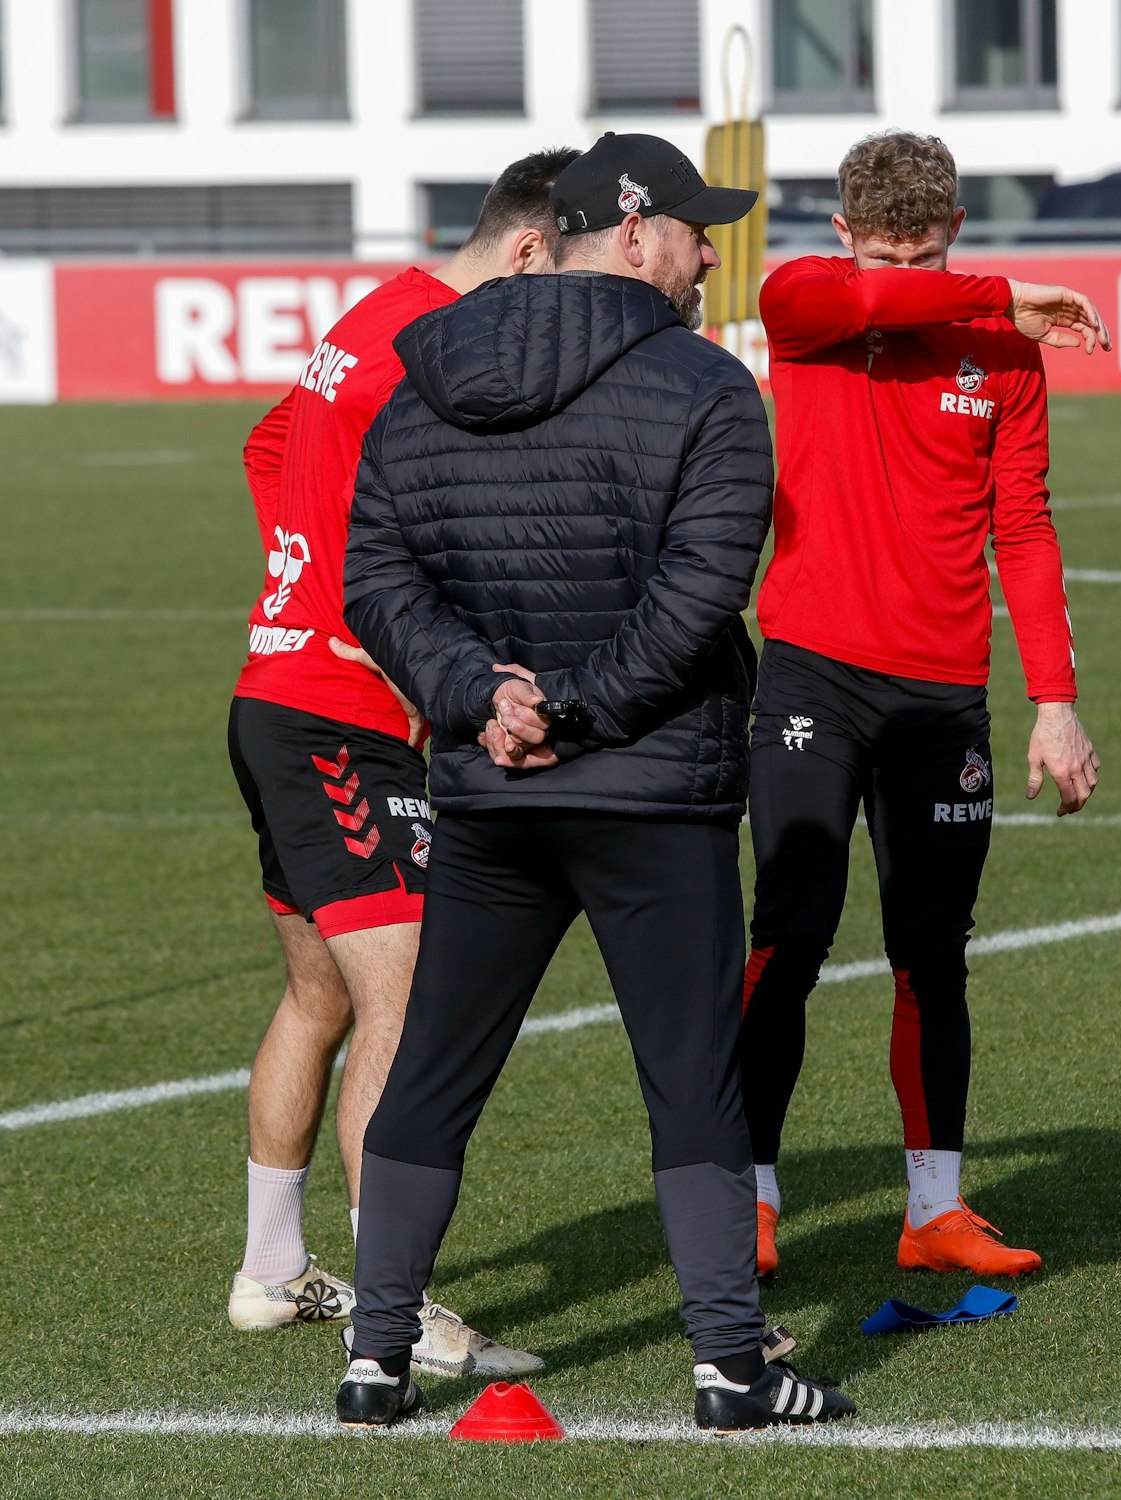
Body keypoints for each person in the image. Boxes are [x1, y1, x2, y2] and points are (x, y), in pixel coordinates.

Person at [335, 132, 850, 1432]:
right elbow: (701, 595)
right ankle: (731, 1365)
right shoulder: (710, 387)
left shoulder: (427, 375)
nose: (711, 253)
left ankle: (374, 1354)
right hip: (651, 790)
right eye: (695, 229)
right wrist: (574, 709)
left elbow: (377, 577)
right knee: (691, 1076)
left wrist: (481, 698)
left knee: (436, 1071)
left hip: (491, 788)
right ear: (632, 233)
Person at [224, 150, 577, 1377]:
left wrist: (296, 580)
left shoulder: (377, 307)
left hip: (276, 689)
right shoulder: (436, 346)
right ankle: (397, 1307)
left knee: (319, 995)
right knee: (407, 999)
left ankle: (273, 1271)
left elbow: (272, 445)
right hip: (338, 714)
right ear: (528, 251)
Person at [742, 131, 1106, 1281]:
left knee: (931, 957)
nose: (913, 271)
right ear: (844, 235)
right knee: (789, 937)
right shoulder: (803, 302)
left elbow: (1025, 527)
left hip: (942, 697)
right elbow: (828, 297)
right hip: (810, 673)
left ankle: (933, 1210)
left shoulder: (999, 348)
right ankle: (747, 1196)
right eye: (889, 251)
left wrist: (1056, 701)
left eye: (931, 248)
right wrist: (1001, 288)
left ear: (953, 232)